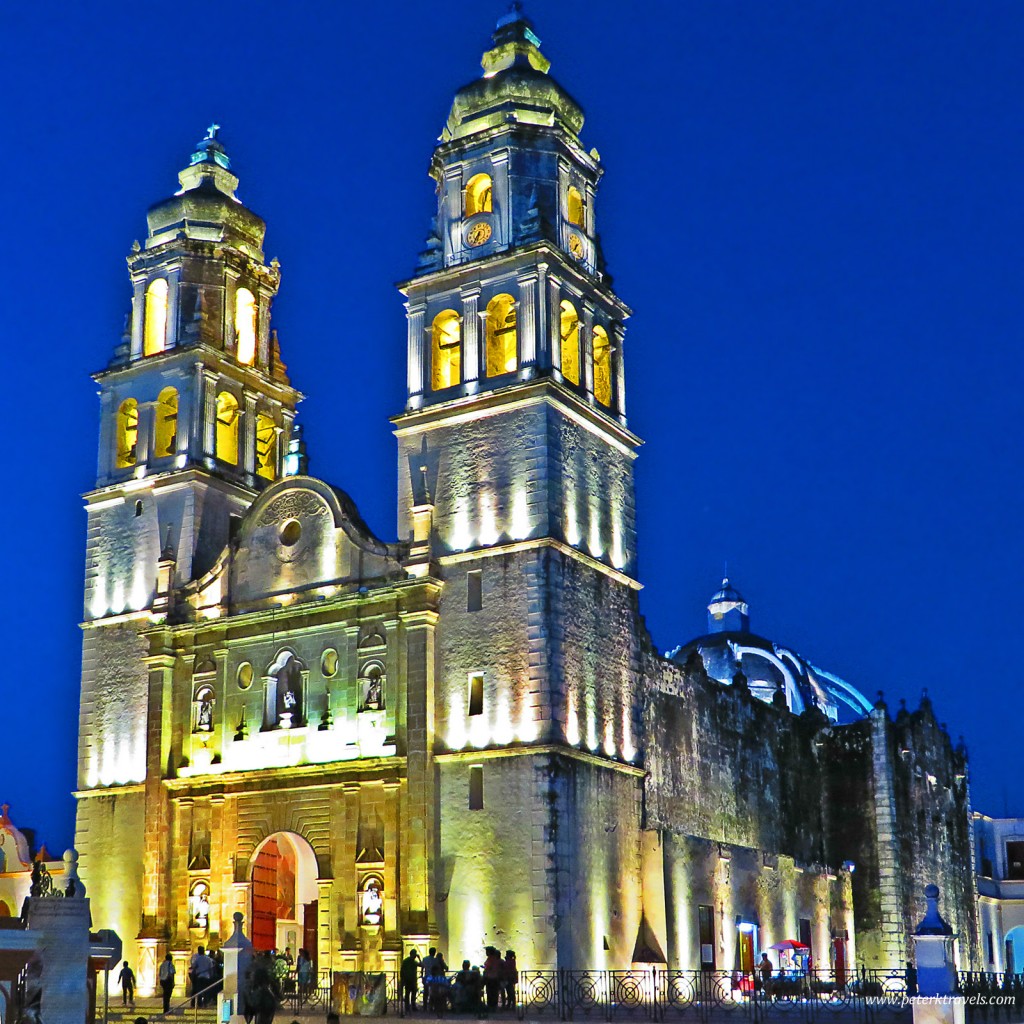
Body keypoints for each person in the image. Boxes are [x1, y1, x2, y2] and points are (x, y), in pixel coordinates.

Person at [483, 946, 502, 1011]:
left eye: (487, 951)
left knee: (491, 993)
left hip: (491, 978)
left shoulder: (491, 959)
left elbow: (489, 967)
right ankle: (493, 1006)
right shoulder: (494, 959)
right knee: (493, 993)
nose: (486, 952)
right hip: (494, 978)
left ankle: (491, 1006)